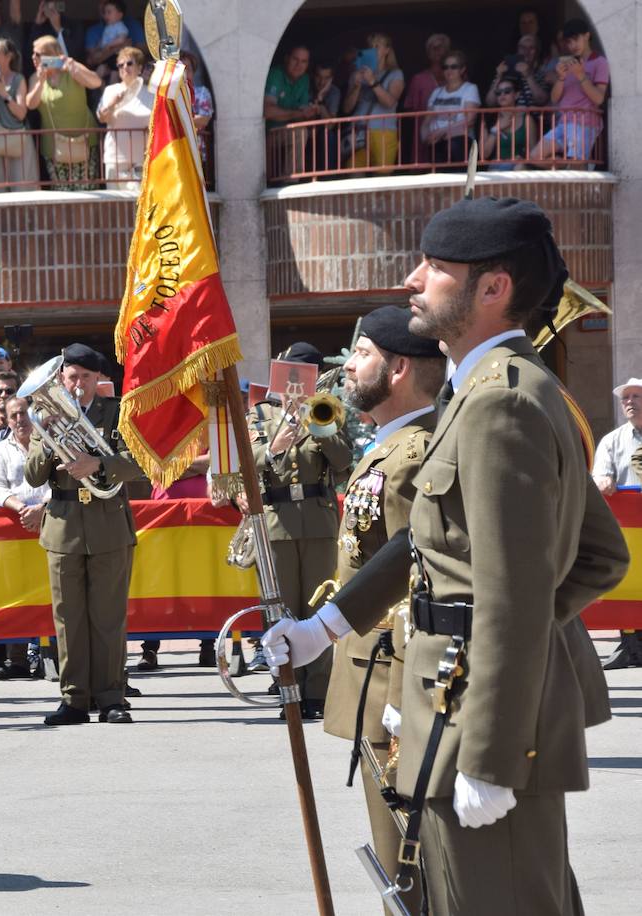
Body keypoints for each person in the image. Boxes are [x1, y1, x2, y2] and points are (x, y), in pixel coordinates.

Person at [263, 196, 629, 916]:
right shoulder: (490, 391)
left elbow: (516, 593)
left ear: (491, 290)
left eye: (435, 267)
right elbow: (590, 556)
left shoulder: (502, 403)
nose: (412, 279)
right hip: (452, 701)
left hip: (476, 728)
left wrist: (490, 745)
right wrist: (330, 627)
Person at [321, 305, 443, 913]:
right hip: (370, 676)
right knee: (394, 847)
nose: (349, 366)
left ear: (398, 368)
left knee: (408, 855)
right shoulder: (389, 444)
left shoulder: (416, 452)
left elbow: (415, 589)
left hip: (392, 685)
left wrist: (402, 697)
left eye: (362, 353)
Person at [24, 345, 145, 724]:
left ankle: (111, 697)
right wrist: (47, 437)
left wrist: (98, 463)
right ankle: (74, 698)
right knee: (68, 617)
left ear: (98, 380)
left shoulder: (118, 411)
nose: (78, 384)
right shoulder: (44, 417)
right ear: (61, 379)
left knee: (108, 616)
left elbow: (140, 461)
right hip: (62, 526)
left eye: (86, 378)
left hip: (108, 522)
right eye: (71, 377)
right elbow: (32, 476)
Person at [246, 341, 353, 718]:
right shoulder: (261, 414)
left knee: (317, 606)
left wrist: (316, 422)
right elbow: (249, 461)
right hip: (277, 520)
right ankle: (288, 686)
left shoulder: (325, 411)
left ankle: (317, 692)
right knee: (281, 607)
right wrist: (274, 446)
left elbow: (343, 463)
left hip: (318, 519)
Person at [0, 395, 49, 679]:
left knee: (52, 590)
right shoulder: (0, 449)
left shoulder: (50, 443)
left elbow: (61, 481)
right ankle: (18, 660)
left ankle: (52, 655)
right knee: (17, 591)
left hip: (50, 522)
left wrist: (41, 510)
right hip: (15, 528)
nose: (19, 420)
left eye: (23, 413)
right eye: (13, 416)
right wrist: (24, 509)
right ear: (6, 419)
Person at [592, 376, 642, 670]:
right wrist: (603, 480)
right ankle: (631, 647)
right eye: (626, 398)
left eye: (635, 397)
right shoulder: (612, 441)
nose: (629, 403)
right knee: (628, 584)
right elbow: (599, 475)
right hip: (629, 532)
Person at [527, 18, 608, 165]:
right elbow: (554, 98)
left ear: (587, 36)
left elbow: (599, 99)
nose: (572, 45)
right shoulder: (566, 62)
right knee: (534, 157)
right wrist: (561, 78)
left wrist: (581, 75)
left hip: (585, 123)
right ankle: (565, 167)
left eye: (575, 39)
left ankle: (571, 169)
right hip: (563, 122)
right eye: (568, 42)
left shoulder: (600, 62)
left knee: (576, 165)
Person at [27, 34, 102, 190]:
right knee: (62, 194)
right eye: (33, 53)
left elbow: (96, 82)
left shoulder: (71, 69)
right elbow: (30, 104)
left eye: (38, 54)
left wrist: (73, 67)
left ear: (53, 55)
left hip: (84, 142)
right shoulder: (36, 78)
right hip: (55, 148)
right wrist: (40, 82)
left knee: (86, 192)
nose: (33, 57)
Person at [341, 33, 404, 172]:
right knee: (353, 171)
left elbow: (390, 103)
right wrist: (356, 86)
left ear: (387, 50)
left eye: (377, 46)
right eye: (370, 46)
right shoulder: (357, 73)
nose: (373, 49)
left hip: (383, 131)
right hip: (358, 131)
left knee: (382, 175)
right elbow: (346, 108)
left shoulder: (395, 73)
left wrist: (372, 82)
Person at [0, 39, 37, 191]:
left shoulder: (19, 79)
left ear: (9, 56)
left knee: (22, 189)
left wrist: (4, 93)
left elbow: (21, 113)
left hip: (18, 139)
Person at [96, 46, 152, 189]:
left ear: (139, 68)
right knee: (115, 207)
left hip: (141, 161)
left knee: (138, 205)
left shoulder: (151, 94)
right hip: (114, 159)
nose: (124, 67)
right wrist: (113, 103)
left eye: (129, 63)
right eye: (121, 64)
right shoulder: (111, 91)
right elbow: (102, 118)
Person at [264, 45, 322, 176]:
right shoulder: (276, 74)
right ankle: (289, 182)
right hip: (264, 135)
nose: (299, 65)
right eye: (295, 59)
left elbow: (303, 115)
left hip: (286, 133)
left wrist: (311, 111)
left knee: (303, 132)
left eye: (304, 61)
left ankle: (291, 180)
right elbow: (267, 111)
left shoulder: (304, 79)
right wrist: (299, 113)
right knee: (300, 132)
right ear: (286, 59)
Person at [421, 51, 480, 164]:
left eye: (454, 67)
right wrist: (425, 137)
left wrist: (442, 132)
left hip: (460, 141)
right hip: (436, 142)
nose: (449, 70)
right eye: (445, 67)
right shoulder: (437, 92)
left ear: (462, 69)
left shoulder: (470, 88)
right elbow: (427, 119)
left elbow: (470, 120)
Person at [481, 77, 537, 169]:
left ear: (516, 95)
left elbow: (533, 152)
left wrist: (522, 159)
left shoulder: (527, 119)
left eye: (507, 91)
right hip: (497, 166)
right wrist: (496, 128)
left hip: (519, 165)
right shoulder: (489, 119)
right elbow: (484, 154)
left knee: (519, 168)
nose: (502, 95)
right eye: (498, 92)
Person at [86, 0, 137, 82]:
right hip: (106, 58)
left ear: (119, 15)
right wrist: (98, 47)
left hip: (116, 57)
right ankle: (100, 90)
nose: (105, 15)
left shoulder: (120, 26)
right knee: (99, 72)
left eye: (109, 12)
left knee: (114, 74)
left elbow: (122, 39)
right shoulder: (107, 28)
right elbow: (102, 41)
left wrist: (109, 45)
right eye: (104, 12)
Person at [402, 33, 450, 116]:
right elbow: (410, 110)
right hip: (426, 127)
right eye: (433, 47)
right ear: (428, 53)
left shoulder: (456, 75)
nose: (436, 49)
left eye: (440, 47)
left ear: (447, 51)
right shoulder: (419, 79)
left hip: (455, 127)